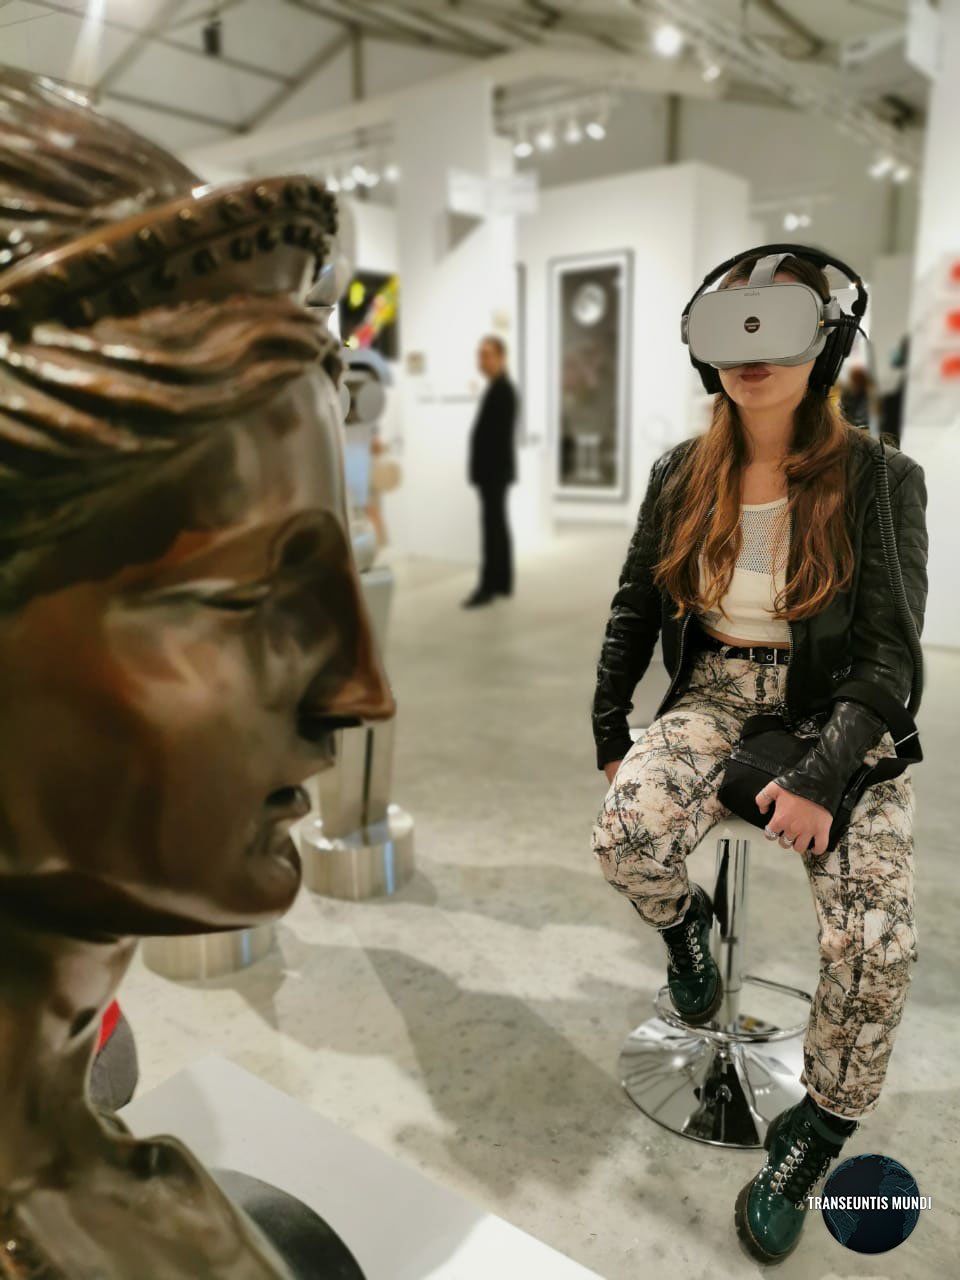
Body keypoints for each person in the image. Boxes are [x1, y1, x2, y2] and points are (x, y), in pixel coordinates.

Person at [591, 249, 927, 1265]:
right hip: (713, 691)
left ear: (825, 341)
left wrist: (822, 777)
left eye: (777, 326)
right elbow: (635, 604)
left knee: (875, 944)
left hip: (841, 709)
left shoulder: (880, 477)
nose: (752, 352)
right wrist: (611, 729)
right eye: (730, 327)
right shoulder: (679, 473)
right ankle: (689, 929)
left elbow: (891, 654)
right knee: (628, 837)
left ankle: (812, 1136)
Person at [463, 334, 518, 608]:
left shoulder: (503, 391)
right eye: (480, 355)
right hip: (494, 473)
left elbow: (494, 439)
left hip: (494, 473)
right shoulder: (497, 388)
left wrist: (482, 470)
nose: (481, 360)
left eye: (486, 355)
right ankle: (502, 582)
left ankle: (489, 586)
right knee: (497, 526)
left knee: (492, 529)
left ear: (500, 358)